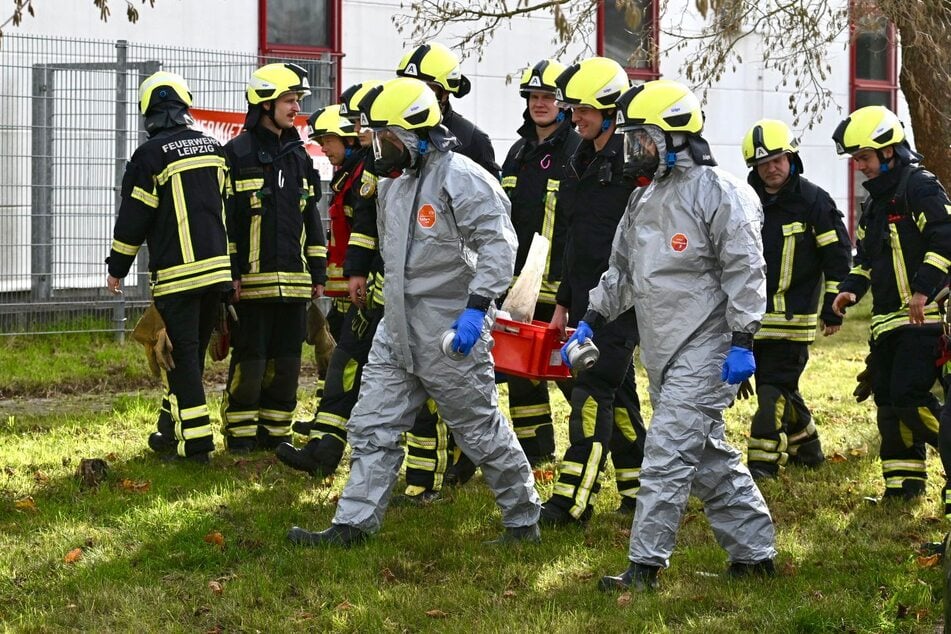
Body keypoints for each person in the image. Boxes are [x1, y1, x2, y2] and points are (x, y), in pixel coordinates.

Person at [286, 77, 540, 546]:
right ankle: (352, 525)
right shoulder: (392, 187)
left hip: (450, 333)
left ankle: (523, 519)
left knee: (481, 431)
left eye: (386, 137)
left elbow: (499, 247)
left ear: (417, 135)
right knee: (372, 425)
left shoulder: (462, 177)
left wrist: (476, 309)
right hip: (397, 328)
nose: (377, 147)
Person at [588, 79, 777, 592]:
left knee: (667, 453)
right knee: (705, 455)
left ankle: (644, 568)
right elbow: (623, 272)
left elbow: (746, 269)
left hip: (710, 346)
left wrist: (743, 339)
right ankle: (755, 553)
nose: (634, 151)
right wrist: (592, 318)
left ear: (675, 135)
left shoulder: (720, 192)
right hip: (663, 349)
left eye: (643, 139)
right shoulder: (643, 199)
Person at [539, 57, 646, 526]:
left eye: (582, 109)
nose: (573, 117)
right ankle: (640, 490)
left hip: (621, 305)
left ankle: (570, 504)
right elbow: (573, 240)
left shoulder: (633, 163)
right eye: (572, 108)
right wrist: (564, 302)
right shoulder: (579, 158)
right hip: (585, 303)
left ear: (609, 110)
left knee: (590, 393)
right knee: (617, 394)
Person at [106, 71, 232, 464]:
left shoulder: (150, 156)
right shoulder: (215, 148)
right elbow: (231, 210)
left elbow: (135, 217)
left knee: (180, 361)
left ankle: (195, 448)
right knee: (188, 356)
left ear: (148, 113)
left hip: (178, 277)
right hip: (218, 273)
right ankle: (167, 430)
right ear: (184, 106)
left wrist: (117, 266)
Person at [394, 41, 501, 492]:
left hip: (456, 286)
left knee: (459, 387)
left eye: (426, 85)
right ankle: (427, 471)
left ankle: (458, 463)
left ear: (445, 91)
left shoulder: (469, 141)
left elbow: (491, 222)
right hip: (410, 281)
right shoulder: (398, 138)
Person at [831, 105, 951, 509]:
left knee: (908, 396)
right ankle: (904, 486)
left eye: (863, 157)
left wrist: (922, 290)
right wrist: (848, 290)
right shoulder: (876, 202)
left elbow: (944, 240)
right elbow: (864, 259)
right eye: (856, 160)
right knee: (887, 399)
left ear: (889, 151)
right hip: (887, 323)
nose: (859, 166)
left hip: (925, 318)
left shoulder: (920, 187)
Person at [221, 63, 327, 453]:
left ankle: (276, 435)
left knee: (286, 365)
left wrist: (317, 270)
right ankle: (241, 436)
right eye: (288, 99)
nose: (295, 106)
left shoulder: (299, 155)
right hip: (251, 283)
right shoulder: (236, 153)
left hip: (295, 284)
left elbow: (310, 216)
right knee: (250, 364)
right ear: (265, 103)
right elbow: (227, 221)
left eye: (297, 99)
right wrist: (231, 274)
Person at [739, 119, 851, 479]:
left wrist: (833, 308)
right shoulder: (745, 202)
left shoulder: (814, 201)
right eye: (763, 163)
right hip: (754, 319)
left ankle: (762, 464)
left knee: (771, 391)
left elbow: (838, 256)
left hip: (794, 320)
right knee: (783, 388)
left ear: (792, 158)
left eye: (778, 159)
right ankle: (808, 447)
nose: (772, 168)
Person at [275, 101, 380, 476]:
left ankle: (325, 447)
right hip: (356, 295)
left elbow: (368, 239)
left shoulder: (365, 177)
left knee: (347, 366)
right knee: (344, 366)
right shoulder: (350, 177)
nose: (324, 149)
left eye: (328, 140)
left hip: (370, 296)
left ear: (350, 139)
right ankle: (324, 443)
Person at [499, 59, 580, 465]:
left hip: (562, 287)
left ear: (563, 104)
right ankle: (537, 457)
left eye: (548, 96)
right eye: (533, 96)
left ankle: (591, 452)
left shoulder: (578, 149)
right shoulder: (518, 152)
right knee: (521, 375)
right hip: (520, 289)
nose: (540, 104)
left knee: (572, 375)